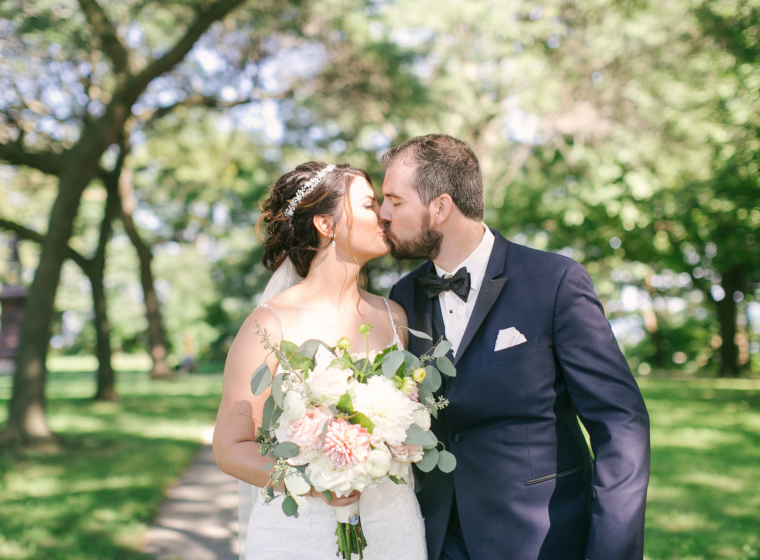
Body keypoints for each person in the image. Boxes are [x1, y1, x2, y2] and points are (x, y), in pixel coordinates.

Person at [381, 134, 651, 560]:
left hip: (541, 540)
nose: (383, 214)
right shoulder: (402, 297)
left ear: (441, 207)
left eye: (395, 201)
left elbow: (620, 424)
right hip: (435, 542)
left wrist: (612, 549)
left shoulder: (555, 281)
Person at [212, 162, 427, 560]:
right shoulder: (270, 324)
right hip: (299, 534)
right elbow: (230, 447)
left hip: (393, 526)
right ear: (326, 225)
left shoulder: (394, 317)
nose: (383, 213)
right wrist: (320, 480)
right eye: (367, 204)